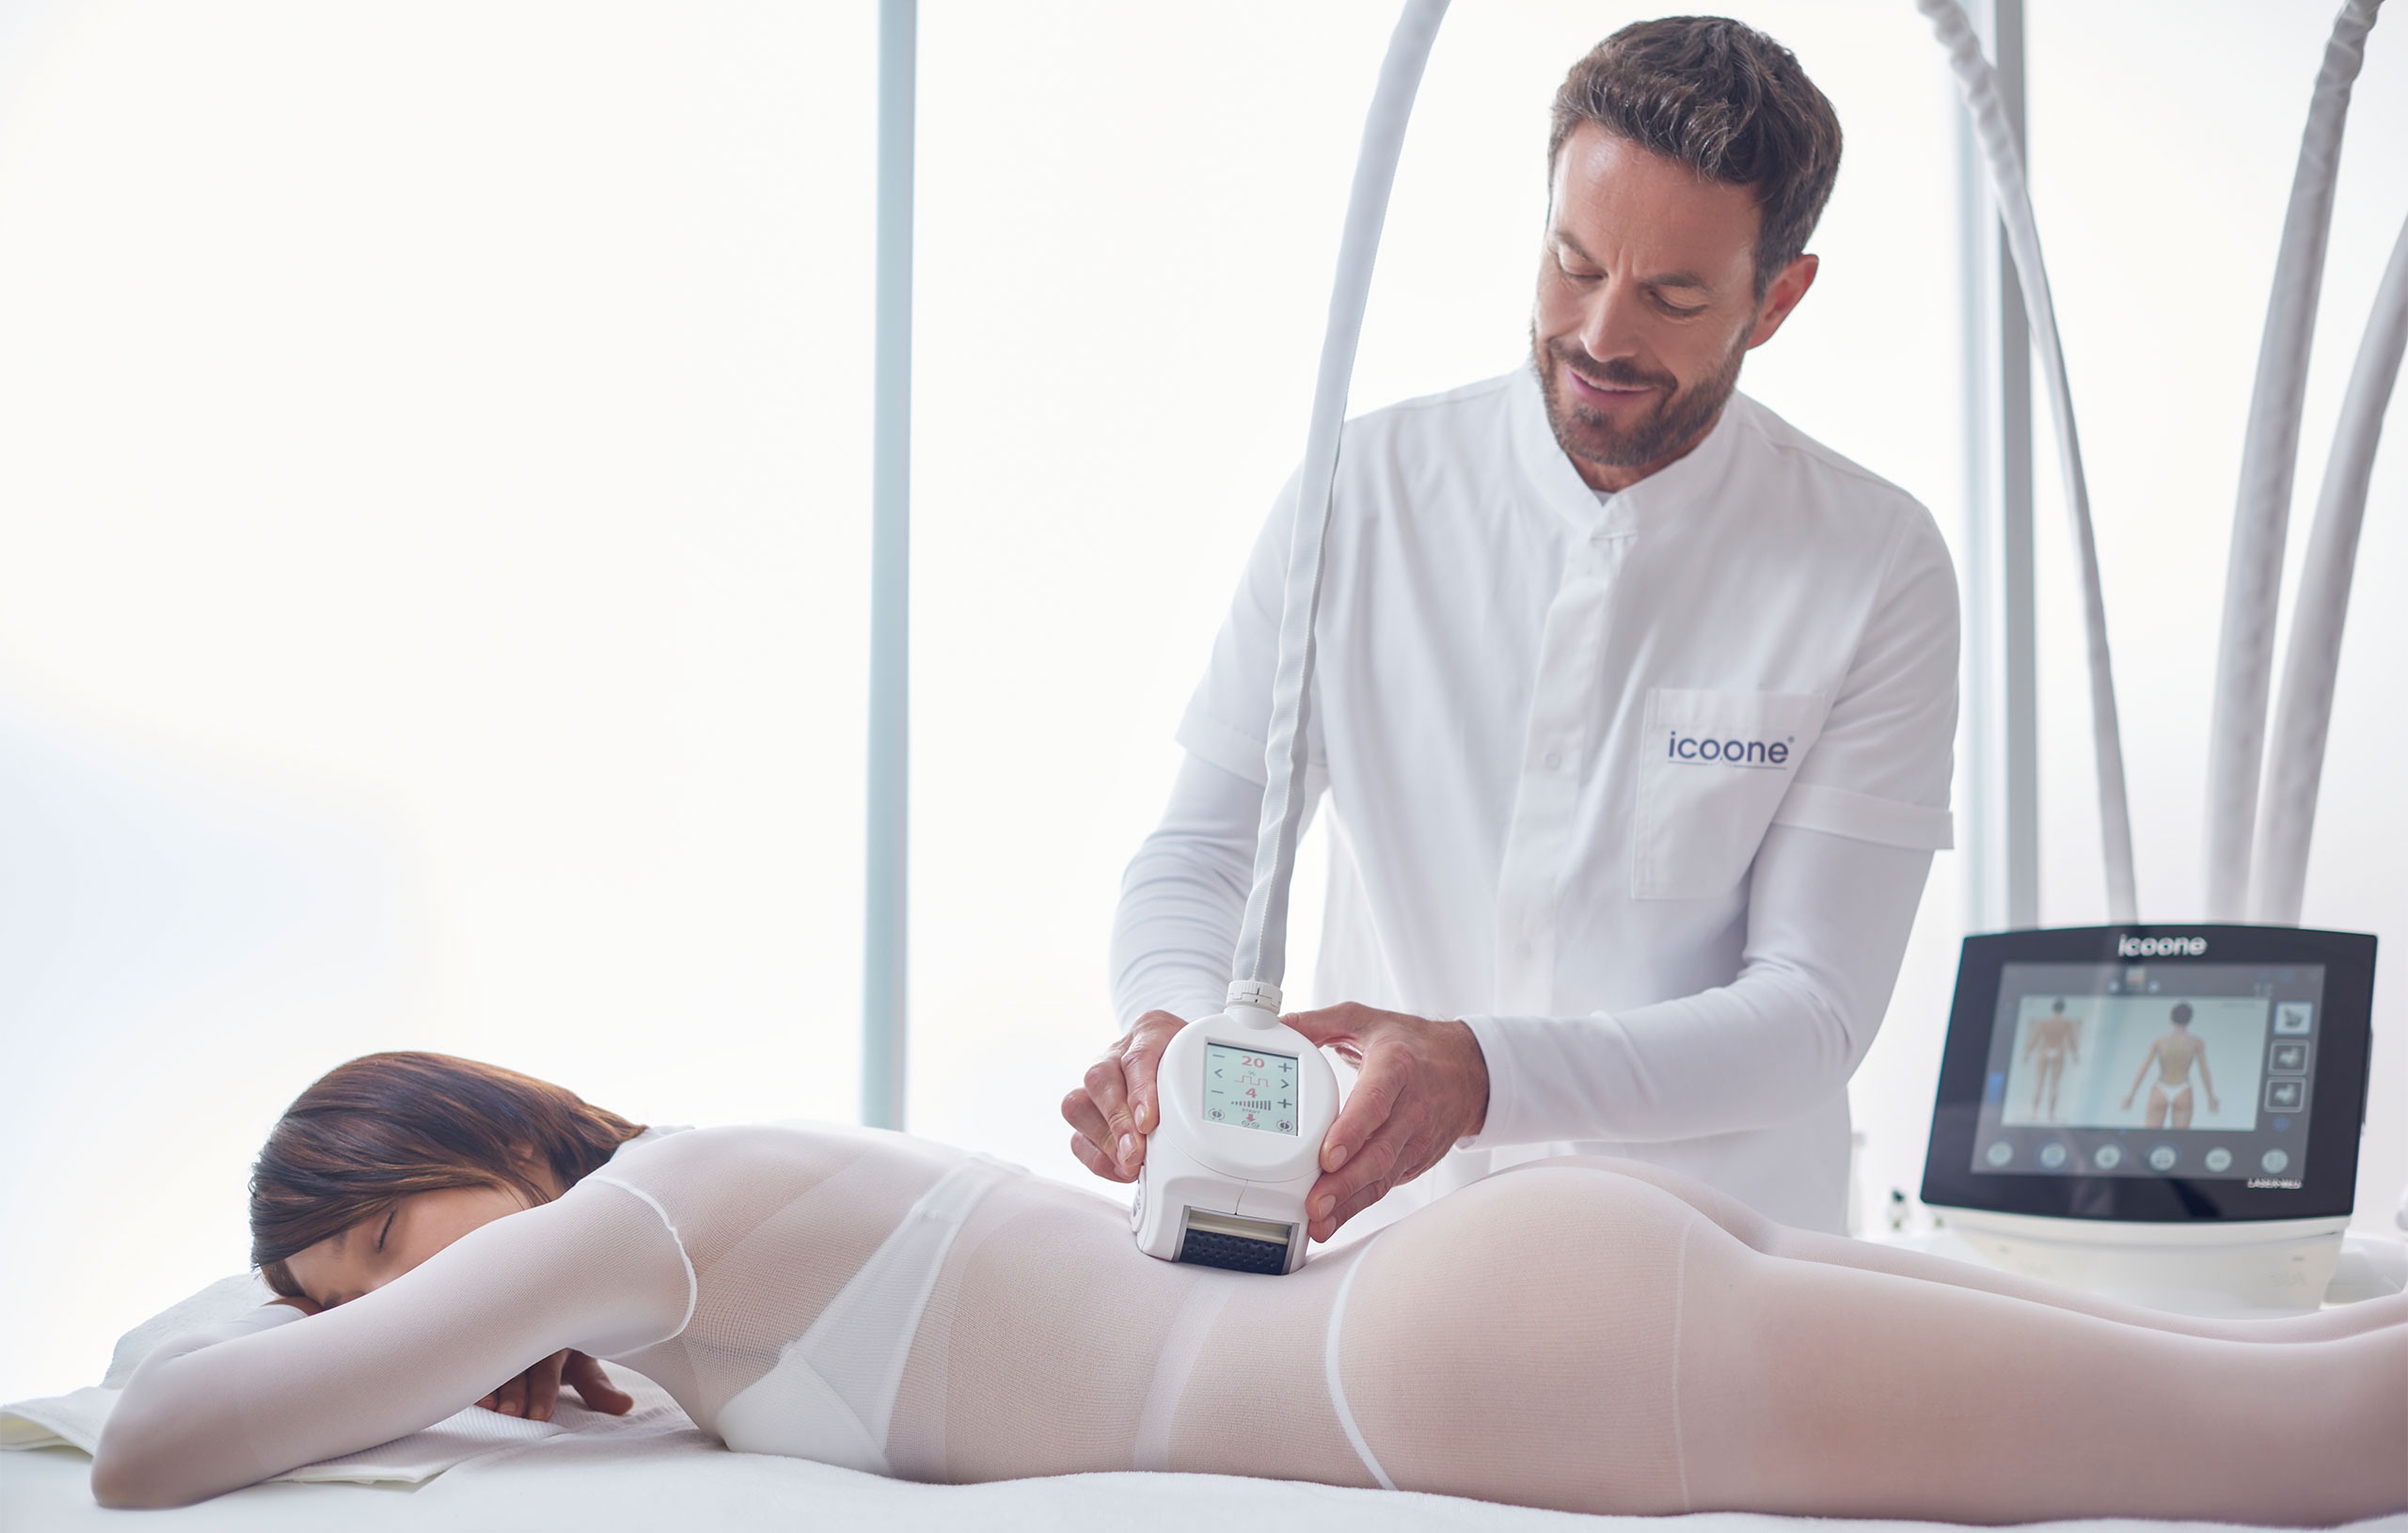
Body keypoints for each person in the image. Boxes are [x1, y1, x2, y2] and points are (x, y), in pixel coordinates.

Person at [1067, 15, 1958, 1244]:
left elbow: (1809, 1011)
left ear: (1778, 298)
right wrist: (1172, 1035)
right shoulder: (1359, 492)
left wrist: (1484, 1076)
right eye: (1574, 264)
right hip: (1380, 1266)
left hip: (1712, 1277)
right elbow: (1201, 854)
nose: (1601, 336)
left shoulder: (1874, 561)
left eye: (1672, 296)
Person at [94, 1052, 2407, 1520]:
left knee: (2310, 1437)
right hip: (1494, 1304)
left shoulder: (644, 1211)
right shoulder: (675, 1272)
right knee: (2300, 1369)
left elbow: (153, 1445)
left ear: (486, 1145)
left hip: (1473, 1351)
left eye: (377, 1245)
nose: (378, 1305)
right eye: (338, 1286)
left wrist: (277, 1336)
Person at [2122, 1001, 2221, 1129]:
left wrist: (2131, 1095)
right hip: (2183, 1089)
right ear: (2189, 1020)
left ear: (2171, 1019)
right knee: (2179, 1138)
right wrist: (2210, 1097)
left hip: (2160, 1088)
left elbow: (2144, 1069)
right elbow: (2204, 1071)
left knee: (2151, 1136)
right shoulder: (2196, 1043)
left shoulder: (2160, 1042)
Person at [2022, 999, 2083, 1122]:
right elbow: (2072, 1040)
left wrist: (2028, 1053)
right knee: (2054, 1085)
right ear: (2063, 1009)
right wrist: (2075, 1055)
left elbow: (2035, 1038)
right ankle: (2050, 1114)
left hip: (2045, 1050)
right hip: (2058, 1052)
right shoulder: (2066, 1024)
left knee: (2039, 1083)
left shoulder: (2045, 1023)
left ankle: (2034, 1112)